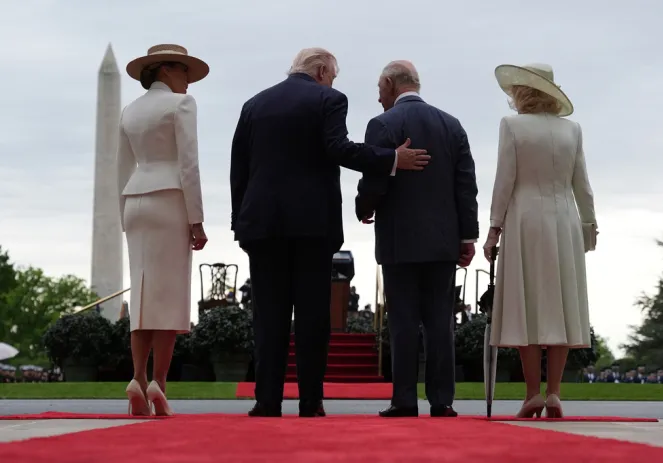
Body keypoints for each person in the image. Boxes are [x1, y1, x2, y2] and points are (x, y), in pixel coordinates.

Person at [230, 48, 431, 418]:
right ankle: (310, 401)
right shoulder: (329, 99)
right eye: (333, 76)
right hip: (312, 225)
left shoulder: (253, 104)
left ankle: (267, 400)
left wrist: (239, 221)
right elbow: (337, 148)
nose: (334, 82)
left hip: (261, 225)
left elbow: (239, 167)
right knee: (312, 317)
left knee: (268, 317)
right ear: (322, 71)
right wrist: (391, 158)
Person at [355, 61, 479, 417]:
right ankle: (442, 401)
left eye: (380, 89)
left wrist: (364, 207)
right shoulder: (452, 125)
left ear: (391, 84)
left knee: (403, 321)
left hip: (399, 239)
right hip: (443, 242)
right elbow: (465, 186)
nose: (379, 98)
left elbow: (374, 179)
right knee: (441, 321)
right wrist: (466, 236)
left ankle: (404, 399)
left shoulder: (382, 125)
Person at [483, 63, 597, 418]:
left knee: (528, 304)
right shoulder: (572, 130)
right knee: (560, 303)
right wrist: (589, 226)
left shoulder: (512, 126)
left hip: (525, 221)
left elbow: (505, 180)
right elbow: (583, 185)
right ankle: (554, 393)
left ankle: (533, 392)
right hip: (565, 221)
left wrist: (493, 228)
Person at [118, 44, 209, 416]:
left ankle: (136, 379)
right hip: (170, 200)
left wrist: (120, 210)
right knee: (170, 296)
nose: (188, 79)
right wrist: (197, 218)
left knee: (140, 295)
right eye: (184, 71)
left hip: (135, 199)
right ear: (166, 71)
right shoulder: (181, 105)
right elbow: (189, 164)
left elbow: (121, 167)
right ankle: (159, 383)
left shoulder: (129, 111)